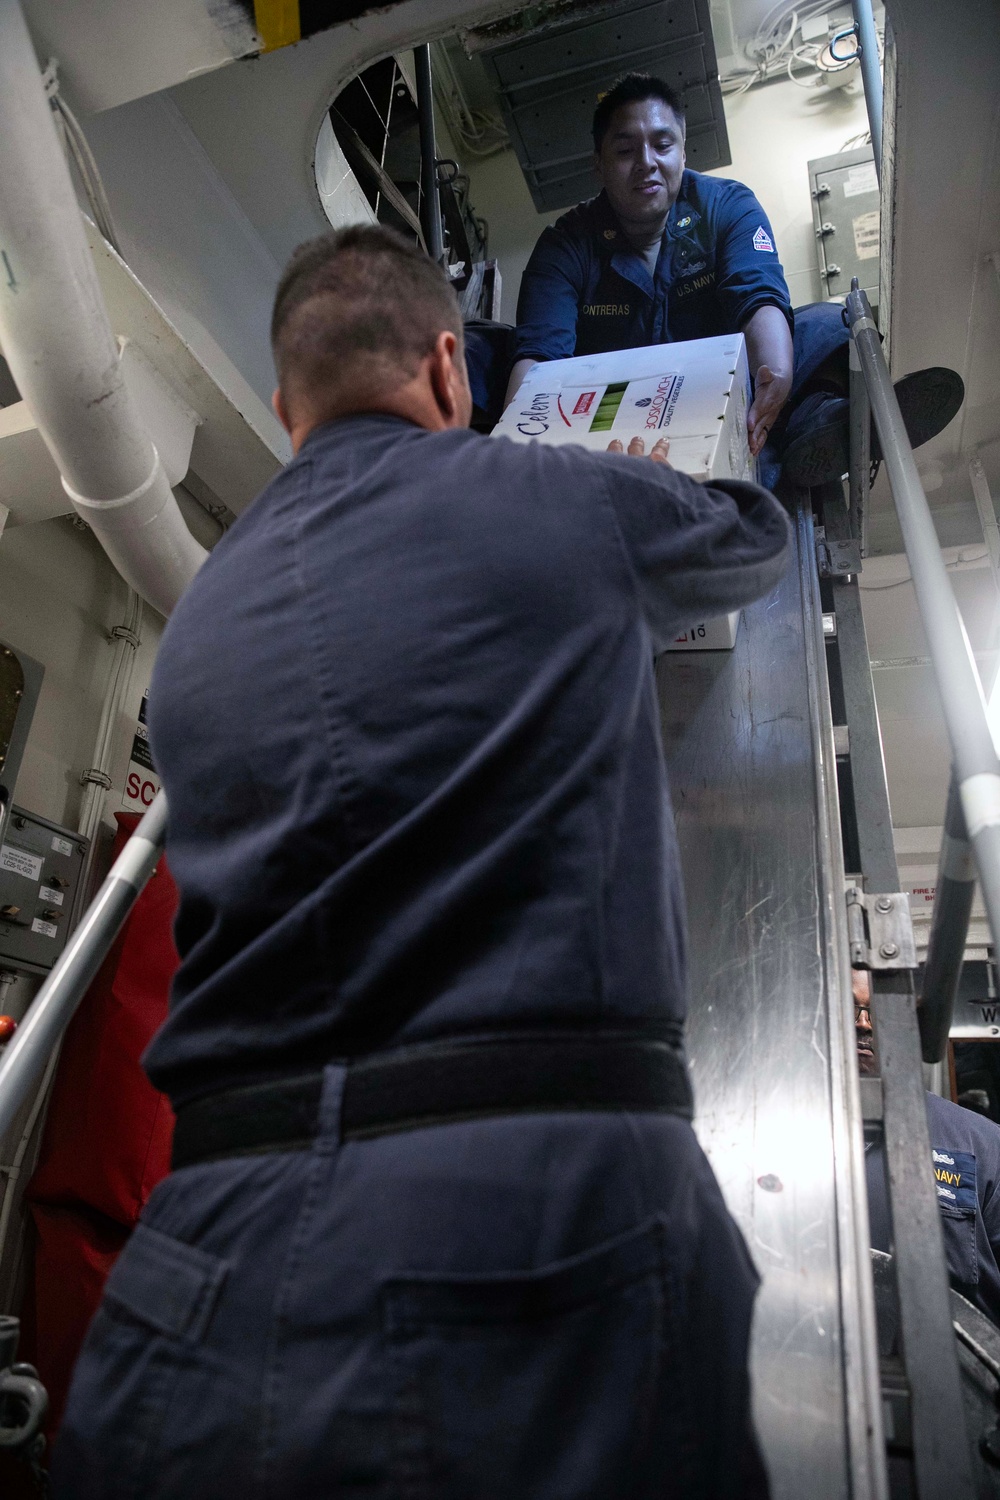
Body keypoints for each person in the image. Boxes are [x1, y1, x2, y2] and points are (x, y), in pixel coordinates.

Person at [52, 224, 791, 1499]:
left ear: (284, 408)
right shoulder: (558, 505)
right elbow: (751, 540)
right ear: (452, 371)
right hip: (538, 1231)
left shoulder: (199, 627)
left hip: (200, 1255)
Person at [509, 73, 963, 487]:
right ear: (599, 165)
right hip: (617, 417)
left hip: (729, 400)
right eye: (625, 150)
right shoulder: (565, 244)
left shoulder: (725, 205)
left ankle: (828, 424)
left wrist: (775, 376)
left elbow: (758, 295)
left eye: (662, 145)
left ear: (683, 153)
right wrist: (516, 452)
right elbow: (539, 358)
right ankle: (820, 425)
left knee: (826, 323)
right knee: (492, 356)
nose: (646, 162)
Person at [856, 972, 1000, 1325]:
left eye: (877, 1011)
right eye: (850, 1008)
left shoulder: (980, 1143)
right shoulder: (778, 1135)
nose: (863, 1024)